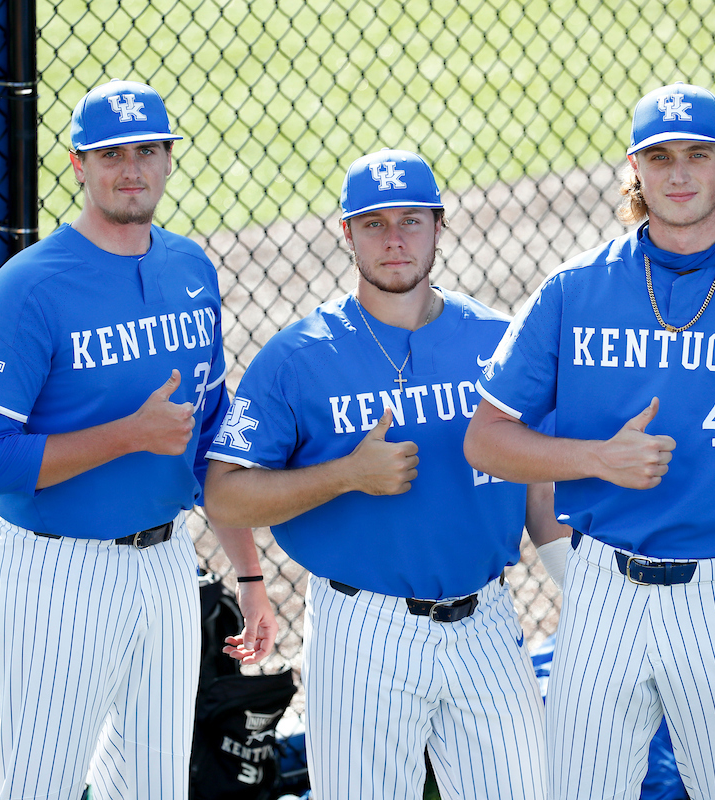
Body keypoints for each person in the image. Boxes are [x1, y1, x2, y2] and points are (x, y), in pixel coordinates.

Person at [464, 82, 715, 799]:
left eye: (697, 154)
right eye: (659, 157)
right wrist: (596, 459)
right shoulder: (574, 289)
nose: (678, 173)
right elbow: (485, 441)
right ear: (635, 168)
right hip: (603, 592)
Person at [204, 148, 569, 800]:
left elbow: (540, 492)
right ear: (347, 232)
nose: (394, 239)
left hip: (487, 620)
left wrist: (584, 594)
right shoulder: (298, 357)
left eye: (410, 220)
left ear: (439, 224)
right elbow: (225, 496)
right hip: (363, 629)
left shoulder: (498, 341)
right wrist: (346, 474)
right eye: (374, 223)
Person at [0, 79, 275, 800]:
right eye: (111, 154)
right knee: (41, 785)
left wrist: (250, 577)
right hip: (55, 571)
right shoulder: (25, 290)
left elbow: (208, 443)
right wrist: (129, 435)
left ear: (168, 159)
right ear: (78, 165)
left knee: (154, 786)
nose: (132, 169)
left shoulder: (190, 268)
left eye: (147, 151)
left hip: (168, 565)